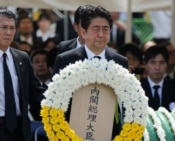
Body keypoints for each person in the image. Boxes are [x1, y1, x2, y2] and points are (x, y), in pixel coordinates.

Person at [52, 5, 128, 138]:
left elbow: (126, 101)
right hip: (71, 132)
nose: (101, 35)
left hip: (110, 133)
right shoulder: (66, 59)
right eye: (96, 29)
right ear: (83, 32)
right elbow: (54, 100)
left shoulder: (119, 61)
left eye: (105, 29)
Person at [0, 9, 45, 141]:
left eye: (12, 28)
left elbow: (36, 92)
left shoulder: (22, 57)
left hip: (20, 127)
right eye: (3, 27)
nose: (8, 32)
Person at [140, 46, 175, 111]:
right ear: (146, 65)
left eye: (161, 63)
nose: (157, 67)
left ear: (166, 65)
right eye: (153, 63)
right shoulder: (138, 88)